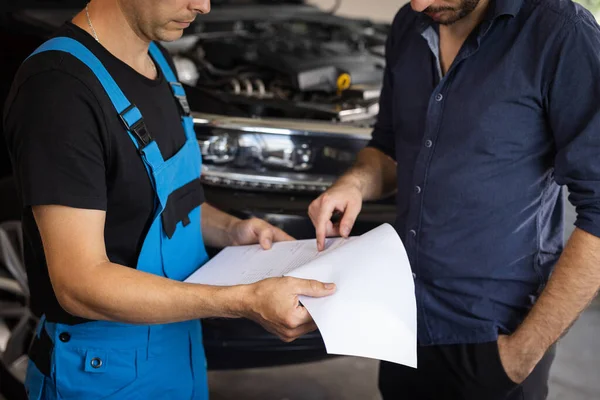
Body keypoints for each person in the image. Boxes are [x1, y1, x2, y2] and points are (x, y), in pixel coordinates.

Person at [3, 0, 336, 398]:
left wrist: (231, 229)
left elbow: (159, 199)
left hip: (178, 349)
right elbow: (78, 282)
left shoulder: (158, 58)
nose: (204, 6)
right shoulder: (59, 90)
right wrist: (241, 301)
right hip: (102, 372)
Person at [308, 0, 600, 399]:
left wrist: (521, 353)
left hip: (496, 334)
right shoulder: (409, 25)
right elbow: (389, 147)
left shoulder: (561, 33)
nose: (418, 3)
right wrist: (355, 183)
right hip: (402, 320)